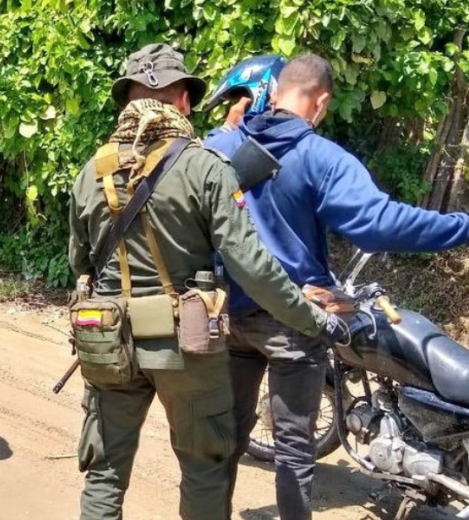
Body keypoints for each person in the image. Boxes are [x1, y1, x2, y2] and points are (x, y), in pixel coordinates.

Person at [68, 43, 347, 520]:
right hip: (186, 346)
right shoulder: (204, 168)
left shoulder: (90, 173)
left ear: (127, 102)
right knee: (204, 466)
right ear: (183, 101)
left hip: (109, 340)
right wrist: (313, 319)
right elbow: (253, 268)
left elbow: (80, 262)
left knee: (105, 473)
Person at [204, 53, 469, 520]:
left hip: (231, 314)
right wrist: (468, 227)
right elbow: (376, 224)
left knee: (228, 433)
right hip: (294, 316)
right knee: (295, 448)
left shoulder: (223, 146)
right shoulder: (319, 156)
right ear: (322, 102)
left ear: (273, 93)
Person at [203, 54, 287, 138]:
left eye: (236, 102)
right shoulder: (291, 131)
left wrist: (228, 127)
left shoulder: (252, 140)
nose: (233, 110)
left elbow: (211, 148)